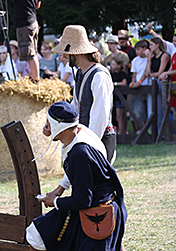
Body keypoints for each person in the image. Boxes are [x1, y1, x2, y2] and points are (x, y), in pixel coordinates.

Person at [6, 101, 175, 251]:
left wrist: (55, 202)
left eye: (49, 123)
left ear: (61, 126)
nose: (46, 126)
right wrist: (60, 189)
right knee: (35, 232)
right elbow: (79, 175)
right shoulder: (78, 134)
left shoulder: (80, 153)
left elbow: (82, 200)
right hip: (89, 206)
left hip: (99, 213)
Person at [53, 25, 116, 163]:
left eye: (66, 52)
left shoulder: (99, 75)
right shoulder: (80, 73)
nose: (63, 56)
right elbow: (75, 107)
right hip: (84, 141)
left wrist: (88, 147)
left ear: (76, 52)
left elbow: (99, 117)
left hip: (99, 141)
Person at [145, 38, 171, 131]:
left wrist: (150, 75)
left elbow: (160, 72)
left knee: (161, 108)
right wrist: (148, 59)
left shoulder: (164, 56)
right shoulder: (152, 57)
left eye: (151, 45)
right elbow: (147, 72)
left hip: (162, 83)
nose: (150, 47)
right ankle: (154, 132)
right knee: (153, 109)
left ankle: (163, 132)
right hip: (153, 82)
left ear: (157, 45)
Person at [14, 0, 41, 82]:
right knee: (33, 54)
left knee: (30, 56)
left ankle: (35, 81)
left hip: (25, 24)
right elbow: (37, 6)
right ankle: (36, 79)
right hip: (32, 22)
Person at [129, 40, 152, 130]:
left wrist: (139, 82)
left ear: (144, 49)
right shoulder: (135, 60)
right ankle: (141, 131)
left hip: (148, 85)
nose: (137, 52)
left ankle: (149, 131)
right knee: (138, 110)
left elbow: (147, 73)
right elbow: (134, 74)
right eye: (136, 50)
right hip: (138, 87)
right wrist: (133, 82)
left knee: (149, 110)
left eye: (139, 49)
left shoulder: (149, 59)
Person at [110, 57, 128, 134]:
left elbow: (124, 83)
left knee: (120, 116)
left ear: (119, 65)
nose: (111, 65)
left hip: (120, 97)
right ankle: (120, 131)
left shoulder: (122, 74)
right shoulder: (111, 74)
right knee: (116, 116)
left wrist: (115, 84)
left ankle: (121, 132)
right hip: (114, 97)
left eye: (114, 64)